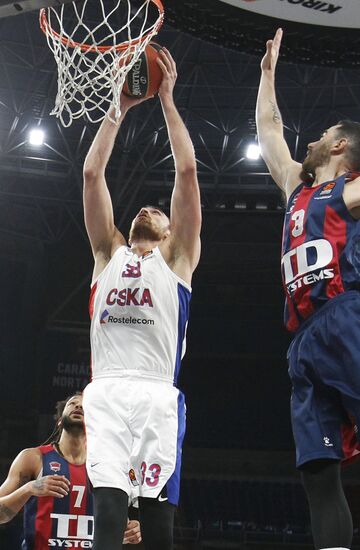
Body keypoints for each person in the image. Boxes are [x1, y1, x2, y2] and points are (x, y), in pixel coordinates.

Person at [256, 28, 360, 550]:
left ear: (340, 144)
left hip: (348, 319)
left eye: (323, 133)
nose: (312, 138)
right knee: (318, 470)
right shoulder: (296, 188)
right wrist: (266, 75)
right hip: (304, 341)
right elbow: (269, 131)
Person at [82, 46, 201, 550]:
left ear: (174, 232)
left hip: (156, 392)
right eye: (145, 207)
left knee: (157, 528)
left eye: (161, 210)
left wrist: (168, 100)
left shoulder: (177, 261)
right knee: (108, 517)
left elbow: (188, 173)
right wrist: (119, 104)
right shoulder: (107, 253)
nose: (151, 208)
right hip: (105, 390)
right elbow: (91, 175)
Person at [0, 393, 141, 549]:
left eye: (85, 406)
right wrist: (29, 488)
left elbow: (116, 519)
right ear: (60, 421)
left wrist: (130, 530)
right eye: (72, 403)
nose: (79, 406)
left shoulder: (108, 465)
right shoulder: (33, 458)